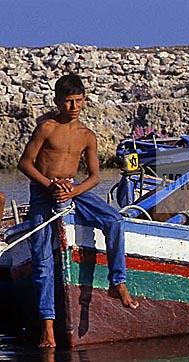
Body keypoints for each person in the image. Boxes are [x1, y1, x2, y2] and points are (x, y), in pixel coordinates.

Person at [18, 74, 138, 348]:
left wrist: (72, 191)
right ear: (58, 101)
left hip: (72, 190)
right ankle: (47, 327)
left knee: (114, 219)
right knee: (43, 259)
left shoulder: (87, 135)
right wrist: (50, 185)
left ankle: (117, 280)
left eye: (79, 101)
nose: (74, 106)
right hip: (43, 192)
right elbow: (25, 163)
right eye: (69, 101)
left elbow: (95, 177)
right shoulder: (46, 128)